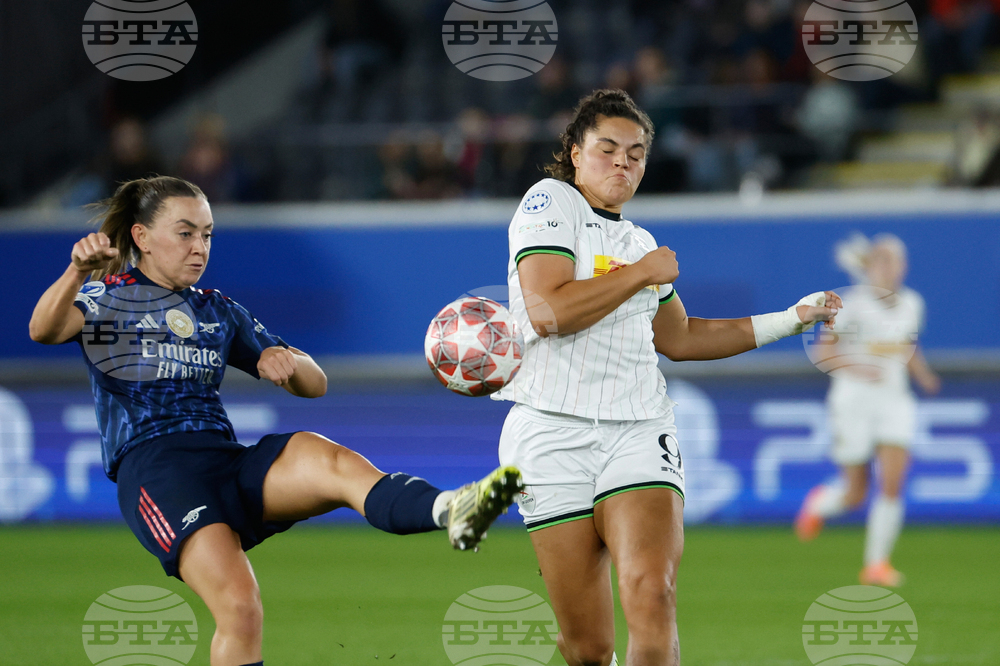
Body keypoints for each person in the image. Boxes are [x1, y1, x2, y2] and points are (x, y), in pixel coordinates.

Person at [28, 175, 522, 666]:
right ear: (141, 238)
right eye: (185, 233)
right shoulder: (108, 298)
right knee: (240, 609)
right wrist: (75, 272)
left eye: (207, 235)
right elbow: (43, 329)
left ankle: (451, 508)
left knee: (321, 455)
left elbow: (316, 383)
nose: (200, 247)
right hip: (158, 473)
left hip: (223, 461)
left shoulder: (216, 309)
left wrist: (283, 362)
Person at [491, 89, 843, 666]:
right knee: (588, 647)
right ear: (575, 153)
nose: (623, 162)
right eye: (607, 149)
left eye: (635, 153)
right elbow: (547, 313)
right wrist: (638, 276)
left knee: (652, 595)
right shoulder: (549, 203)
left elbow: (679, 339)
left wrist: (791, 318)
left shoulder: (639, 243)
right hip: (549, 435)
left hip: (638, 428)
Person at [795, 233, 940, 587]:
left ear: (903, 267)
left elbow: (906, 346)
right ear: (871, 266)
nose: (889, 269)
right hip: (853, 401)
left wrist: (923, 376)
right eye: (882, 261)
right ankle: (819, 504)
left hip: (894, 400)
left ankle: (876, 564)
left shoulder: (912, 304)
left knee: (892, 484)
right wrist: (859, 369)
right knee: (855, 493)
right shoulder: (852, 305)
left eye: (895, 261)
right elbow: (823, 352)